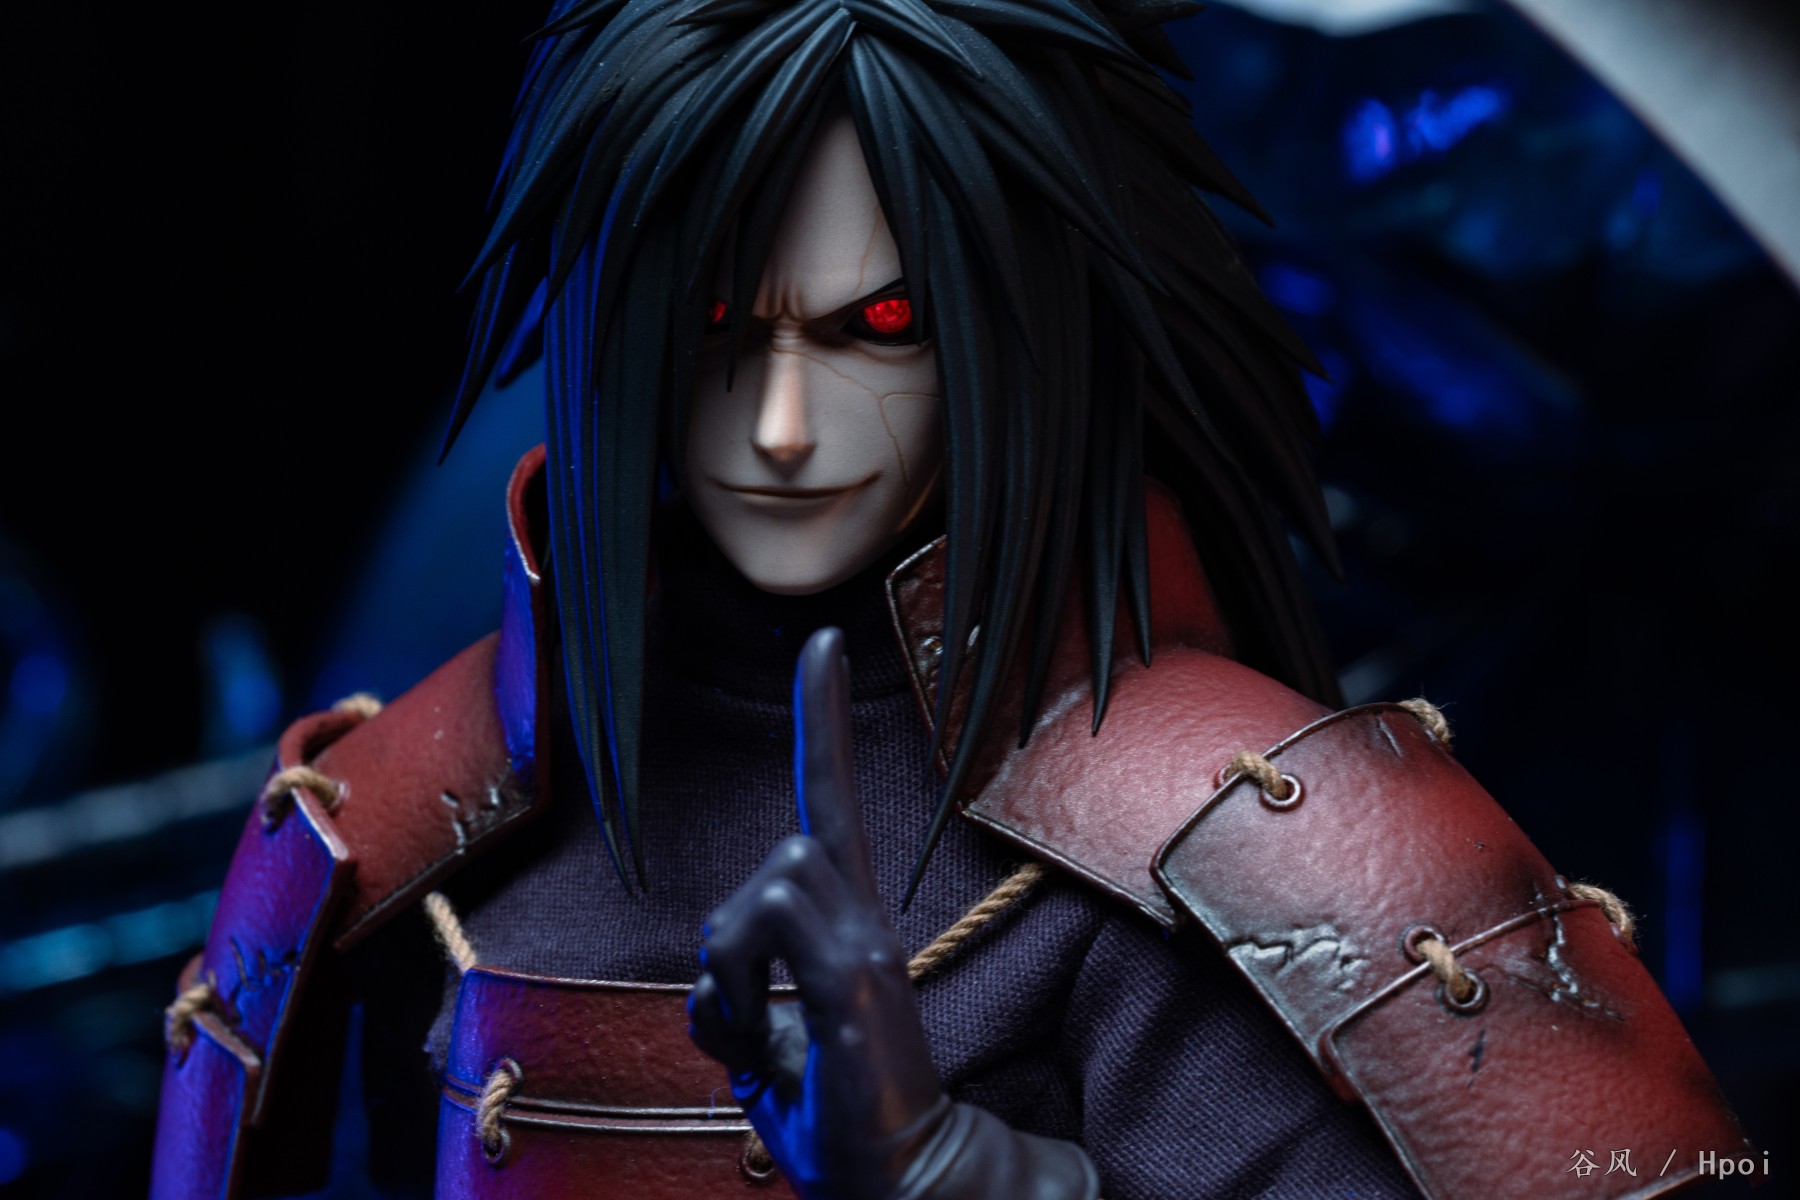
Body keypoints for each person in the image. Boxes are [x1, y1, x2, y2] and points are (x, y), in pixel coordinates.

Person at [149, 0, 1746, 1195]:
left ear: (1012, 323)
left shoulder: (1246, 834)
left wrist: (962, 1172)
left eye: (881, 324)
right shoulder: (385, 832)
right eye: (717, 325)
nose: (782, 429)